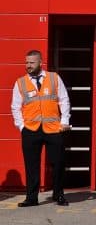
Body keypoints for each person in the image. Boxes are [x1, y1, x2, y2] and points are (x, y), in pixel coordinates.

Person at [10, 50, 71, 207]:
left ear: (40, 62)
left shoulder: (54, 78)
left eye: (31, 62)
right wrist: (22, 126)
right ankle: (31, 198)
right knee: (31, 165)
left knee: (57, 163)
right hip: (31, 130)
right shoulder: (20, 82)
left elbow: (64, 100)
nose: (28, 66)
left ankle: (58, 195)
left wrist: (64, 121)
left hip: (54, 128)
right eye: (26, 63)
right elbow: (15, 107)